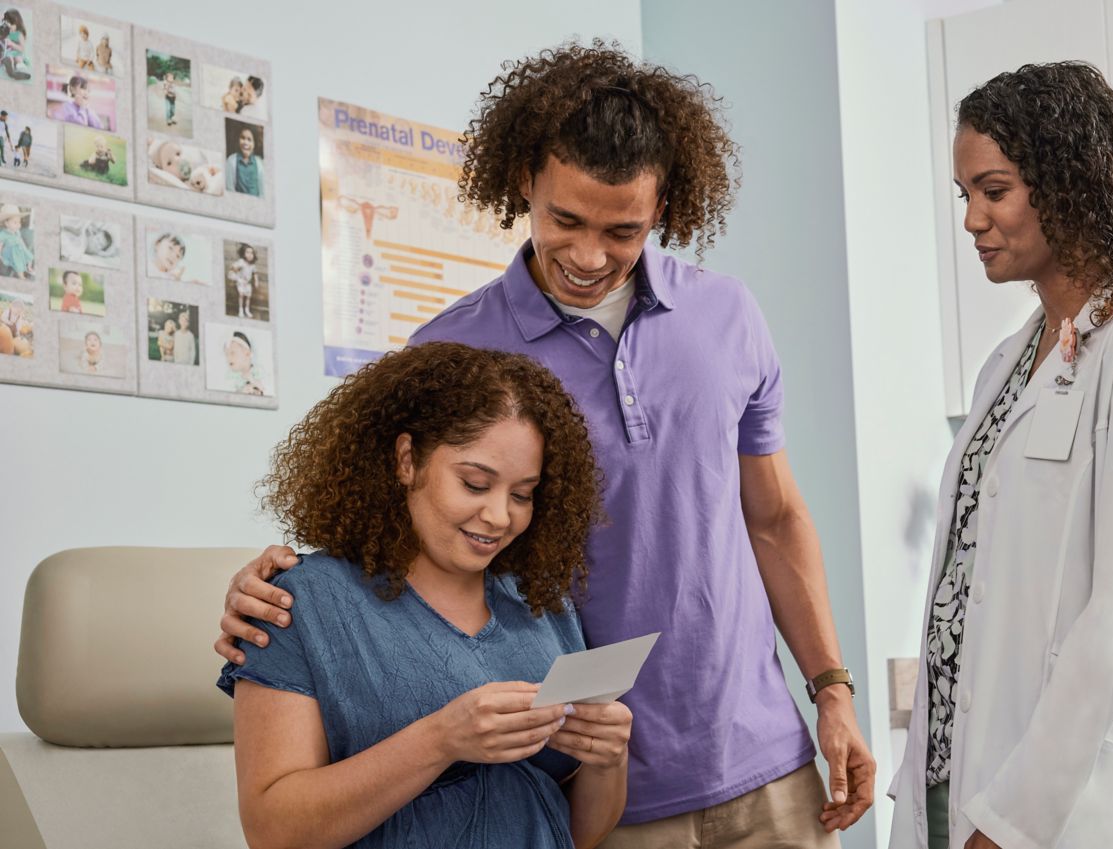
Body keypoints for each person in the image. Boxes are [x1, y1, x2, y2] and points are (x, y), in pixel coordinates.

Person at [215, 42, 876, 847]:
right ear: (525, 179)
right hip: (592, 789)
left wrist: (832, 690)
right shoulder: (451, 352)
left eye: (622, 230)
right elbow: (388, 526)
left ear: (662, 207)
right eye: (565, 220)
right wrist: (273, 587)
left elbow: (773, 519)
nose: (590, 256)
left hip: (767, 762)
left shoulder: (729, 317)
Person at [887, 62, 1113, 849]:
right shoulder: (1007, 361)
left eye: (993, 190)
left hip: (1074, 805)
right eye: (963, 194)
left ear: (1066, 184)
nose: (971, 218)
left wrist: (1012, 821)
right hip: (958, 777)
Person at [217, 342, 630, 848]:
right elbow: (273, 832)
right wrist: (441, 741)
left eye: (522, 494)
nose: (501, 517)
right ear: (407, 460)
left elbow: (580, 834)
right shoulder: (300, 604)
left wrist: (608, 760)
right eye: (475, 484)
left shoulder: (542, 607)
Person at [222, 330, 264, 394]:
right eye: (226, 354)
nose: (228, 358)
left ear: (247, 353)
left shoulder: (259, 371)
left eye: (232, 353)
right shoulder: (231, 379)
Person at [226, 126, 263, 197]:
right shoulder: (231, 160)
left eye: (249, 140)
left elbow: (262, 192)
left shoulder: (259, 163)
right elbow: (229, 188)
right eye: (242, 138)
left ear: (254, 144)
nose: (245, 142)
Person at [0, 204, 33, 279]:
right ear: (6, 223)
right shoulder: (3, 234)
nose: (18, 225)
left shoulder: (17, 232)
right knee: (17, 261)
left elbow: (20, 240)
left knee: (29, 255)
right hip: (9, 251)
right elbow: (0, 244)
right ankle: (21, 275)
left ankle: (29, 267)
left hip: (19, 248)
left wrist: (25, 249)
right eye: (15, 222)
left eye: (19, 222)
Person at [228, 242, 257, 317]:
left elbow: (255, 273)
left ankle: (247, 310)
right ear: (243, 253)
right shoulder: (241, 262)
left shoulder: (252, 265)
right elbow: (233, 268)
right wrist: (236, 277)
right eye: (247, 252)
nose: (250, 255)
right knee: (241, 295)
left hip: (248, 283)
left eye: (251, 253)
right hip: (241, 281)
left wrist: (256, 281)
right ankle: (240, 310)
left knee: (248, 297)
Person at [2, 9, 30, 81]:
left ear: (17, 23)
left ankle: (19, 69)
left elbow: (22, 49)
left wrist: (12, 44)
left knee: (18, 59)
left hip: (18, 52)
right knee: (9, 57)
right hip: (8, 51)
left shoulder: (19, 34)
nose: (8, 25)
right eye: (7, 23)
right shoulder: (8, 29)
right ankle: (10, 68)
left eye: (10, 24)